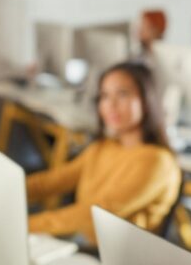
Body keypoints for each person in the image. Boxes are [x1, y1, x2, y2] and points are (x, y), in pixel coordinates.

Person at [27, 62, 180, 246]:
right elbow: (52, 182)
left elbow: (94, 214)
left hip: (115, 257)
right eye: (105, 96)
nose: (111, 105)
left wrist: (27, 225)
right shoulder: (104, 147)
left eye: (123, 94)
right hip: (86, 240)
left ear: (146, 100)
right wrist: (8, 189)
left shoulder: (157, 162)